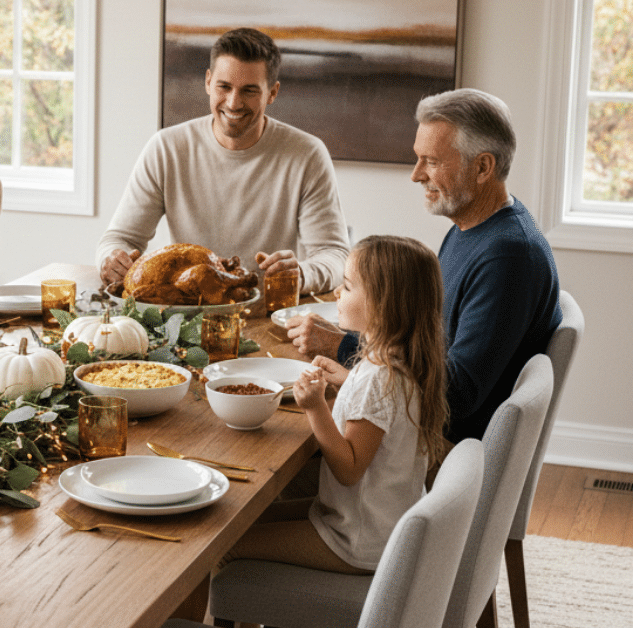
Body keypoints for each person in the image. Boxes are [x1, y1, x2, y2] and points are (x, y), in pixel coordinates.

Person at [286, 88, 561, 443]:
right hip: (419, 426)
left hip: (438, 451)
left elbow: (457, 394)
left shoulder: (508, 257)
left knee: (285, 445)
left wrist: (345, 346)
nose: (416, 175)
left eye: (431, 161)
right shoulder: (472, 228)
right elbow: (427, 341)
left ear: (482, 167)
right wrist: (356, 369)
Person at [222, 235, 449, 579]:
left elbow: (348, 468)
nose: (338, 295)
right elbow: (380, 413)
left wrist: (316, 407)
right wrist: (347, 380)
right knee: (241, 521)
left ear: (381, 305)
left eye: (346, 286)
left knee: (226, 545)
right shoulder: (398, 366)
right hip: (381, 527)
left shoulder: (377, 380)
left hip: (357, 542)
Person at [97, 28, 349, 295]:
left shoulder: (307, 154)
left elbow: (333, 254)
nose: (233, 102)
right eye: (224, 87)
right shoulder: (166, 148)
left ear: (272, 93)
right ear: (208, 82)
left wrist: (302, 274)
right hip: (186, 317)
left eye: (249, 90)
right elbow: (119, 238)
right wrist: (112, 260)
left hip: (266, 315)